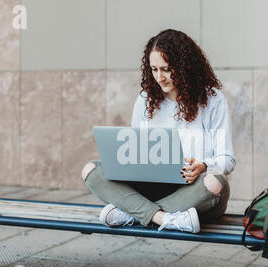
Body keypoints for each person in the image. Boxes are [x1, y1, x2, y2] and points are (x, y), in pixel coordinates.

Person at [81, 29, 235, 233]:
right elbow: (137, 152)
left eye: (166, 69)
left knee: (215, 183)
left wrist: (203, 165)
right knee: (91, 170)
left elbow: (227, 159)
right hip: (154, 189)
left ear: (185, 67)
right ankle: (164, 218)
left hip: (195, 192)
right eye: (154, 69)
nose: (159, 77)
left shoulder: (213, 100)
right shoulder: (146, 100)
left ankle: (133, 214)